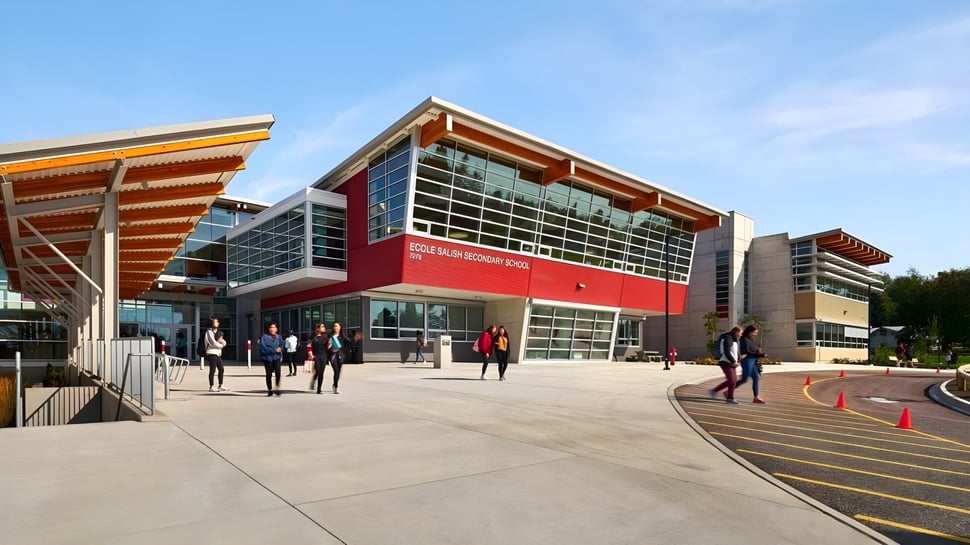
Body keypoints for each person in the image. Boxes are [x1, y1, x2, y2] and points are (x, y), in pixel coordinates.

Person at [709, 326, 742, 404]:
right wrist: (733, 361)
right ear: (736, 332)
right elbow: (726, 351)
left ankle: (714, 391)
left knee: (732, 380)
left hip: (730, 363)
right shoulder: (728, 338)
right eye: (740, 333)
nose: (741, 335)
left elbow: (733, 351)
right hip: (726, 362)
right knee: (732, 380)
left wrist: (738, 358)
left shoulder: (734, 339)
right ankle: (730, 398)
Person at [735, 325, 767, 403]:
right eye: (754, 332)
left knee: (756, 378)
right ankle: (729, 390)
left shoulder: (751, 340)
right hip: (747, 361)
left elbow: (754, 350)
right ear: (750, 332)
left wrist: (759, 353)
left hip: (753, 361)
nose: (755, 334)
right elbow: (747, 351)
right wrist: (760, 355)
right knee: (744, 379)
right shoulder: (744, 339)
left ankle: (756, 397)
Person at [259, 322, 284, 396]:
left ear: (276, 329)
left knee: (278, 373)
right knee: (269, 374)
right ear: (268, 329)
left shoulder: (279, 337)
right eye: (271, 327)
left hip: (277, 357)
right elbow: (263, 348)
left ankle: (277, 387)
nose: (272, 329)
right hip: (268, 358)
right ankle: (270, 390)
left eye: (274, 327)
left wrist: (281, 349)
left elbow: (282, 345)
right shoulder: (264, 337)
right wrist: (274, 350)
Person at [204, 317, 228, 392]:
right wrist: (221, 345)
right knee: (212, 370)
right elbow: (212, 343)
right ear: (211, 323)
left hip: (217, 353)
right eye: (216, 322)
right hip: (211, 353)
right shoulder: (209, 332)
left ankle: (220, 385)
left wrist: (223, 343)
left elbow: (222, 340)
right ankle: (211, 386)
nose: (218, 323)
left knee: (221, 369)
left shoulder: (217, 332)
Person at [308, 323, 329, 394]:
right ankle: (313, 380)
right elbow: (309, 346)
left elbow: (327, 347)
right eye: (322, 327)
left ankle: (319, 388)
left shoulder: (326, 337)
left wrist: (329, 344)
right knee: (318, 371)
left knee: (321, 373)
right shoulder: (313, 337)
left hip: (323, 356)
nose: (324, 328)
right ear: (317, 328)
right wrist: (310, 354)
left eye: (324, 326)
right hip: (316, 356)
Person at [329, 322, 345, 394]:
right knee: (336, 371)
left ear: (340, 327)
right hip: (333, 356)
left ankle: (335, 384)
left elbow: (349, 343)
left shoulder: (342, 337)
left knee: (338, 373)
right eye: (334, 326)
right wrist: (329, 345)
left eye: (337, 326)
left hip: (340, 356)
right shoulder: (330, 336)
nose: (335, 327)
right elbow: (327, 347)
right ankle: (336, 387)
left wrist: (355, 338)